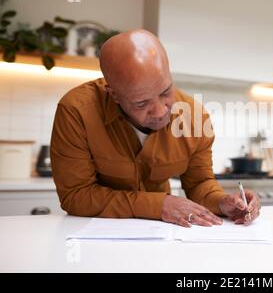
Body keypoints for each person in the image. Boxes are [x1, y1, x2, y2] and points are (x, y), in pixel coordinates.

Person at [50, 29, 261, 227]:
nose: (160, 112)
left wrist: (222, 202)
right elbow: (76, 196)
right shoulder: (76, 111)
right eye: (141, 103)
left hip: (161, 237)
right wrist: (158, 205)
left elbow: (199, 183)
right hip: (93, 235)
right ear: (113, 94)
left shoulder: (196, 117)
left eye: (165, 92)